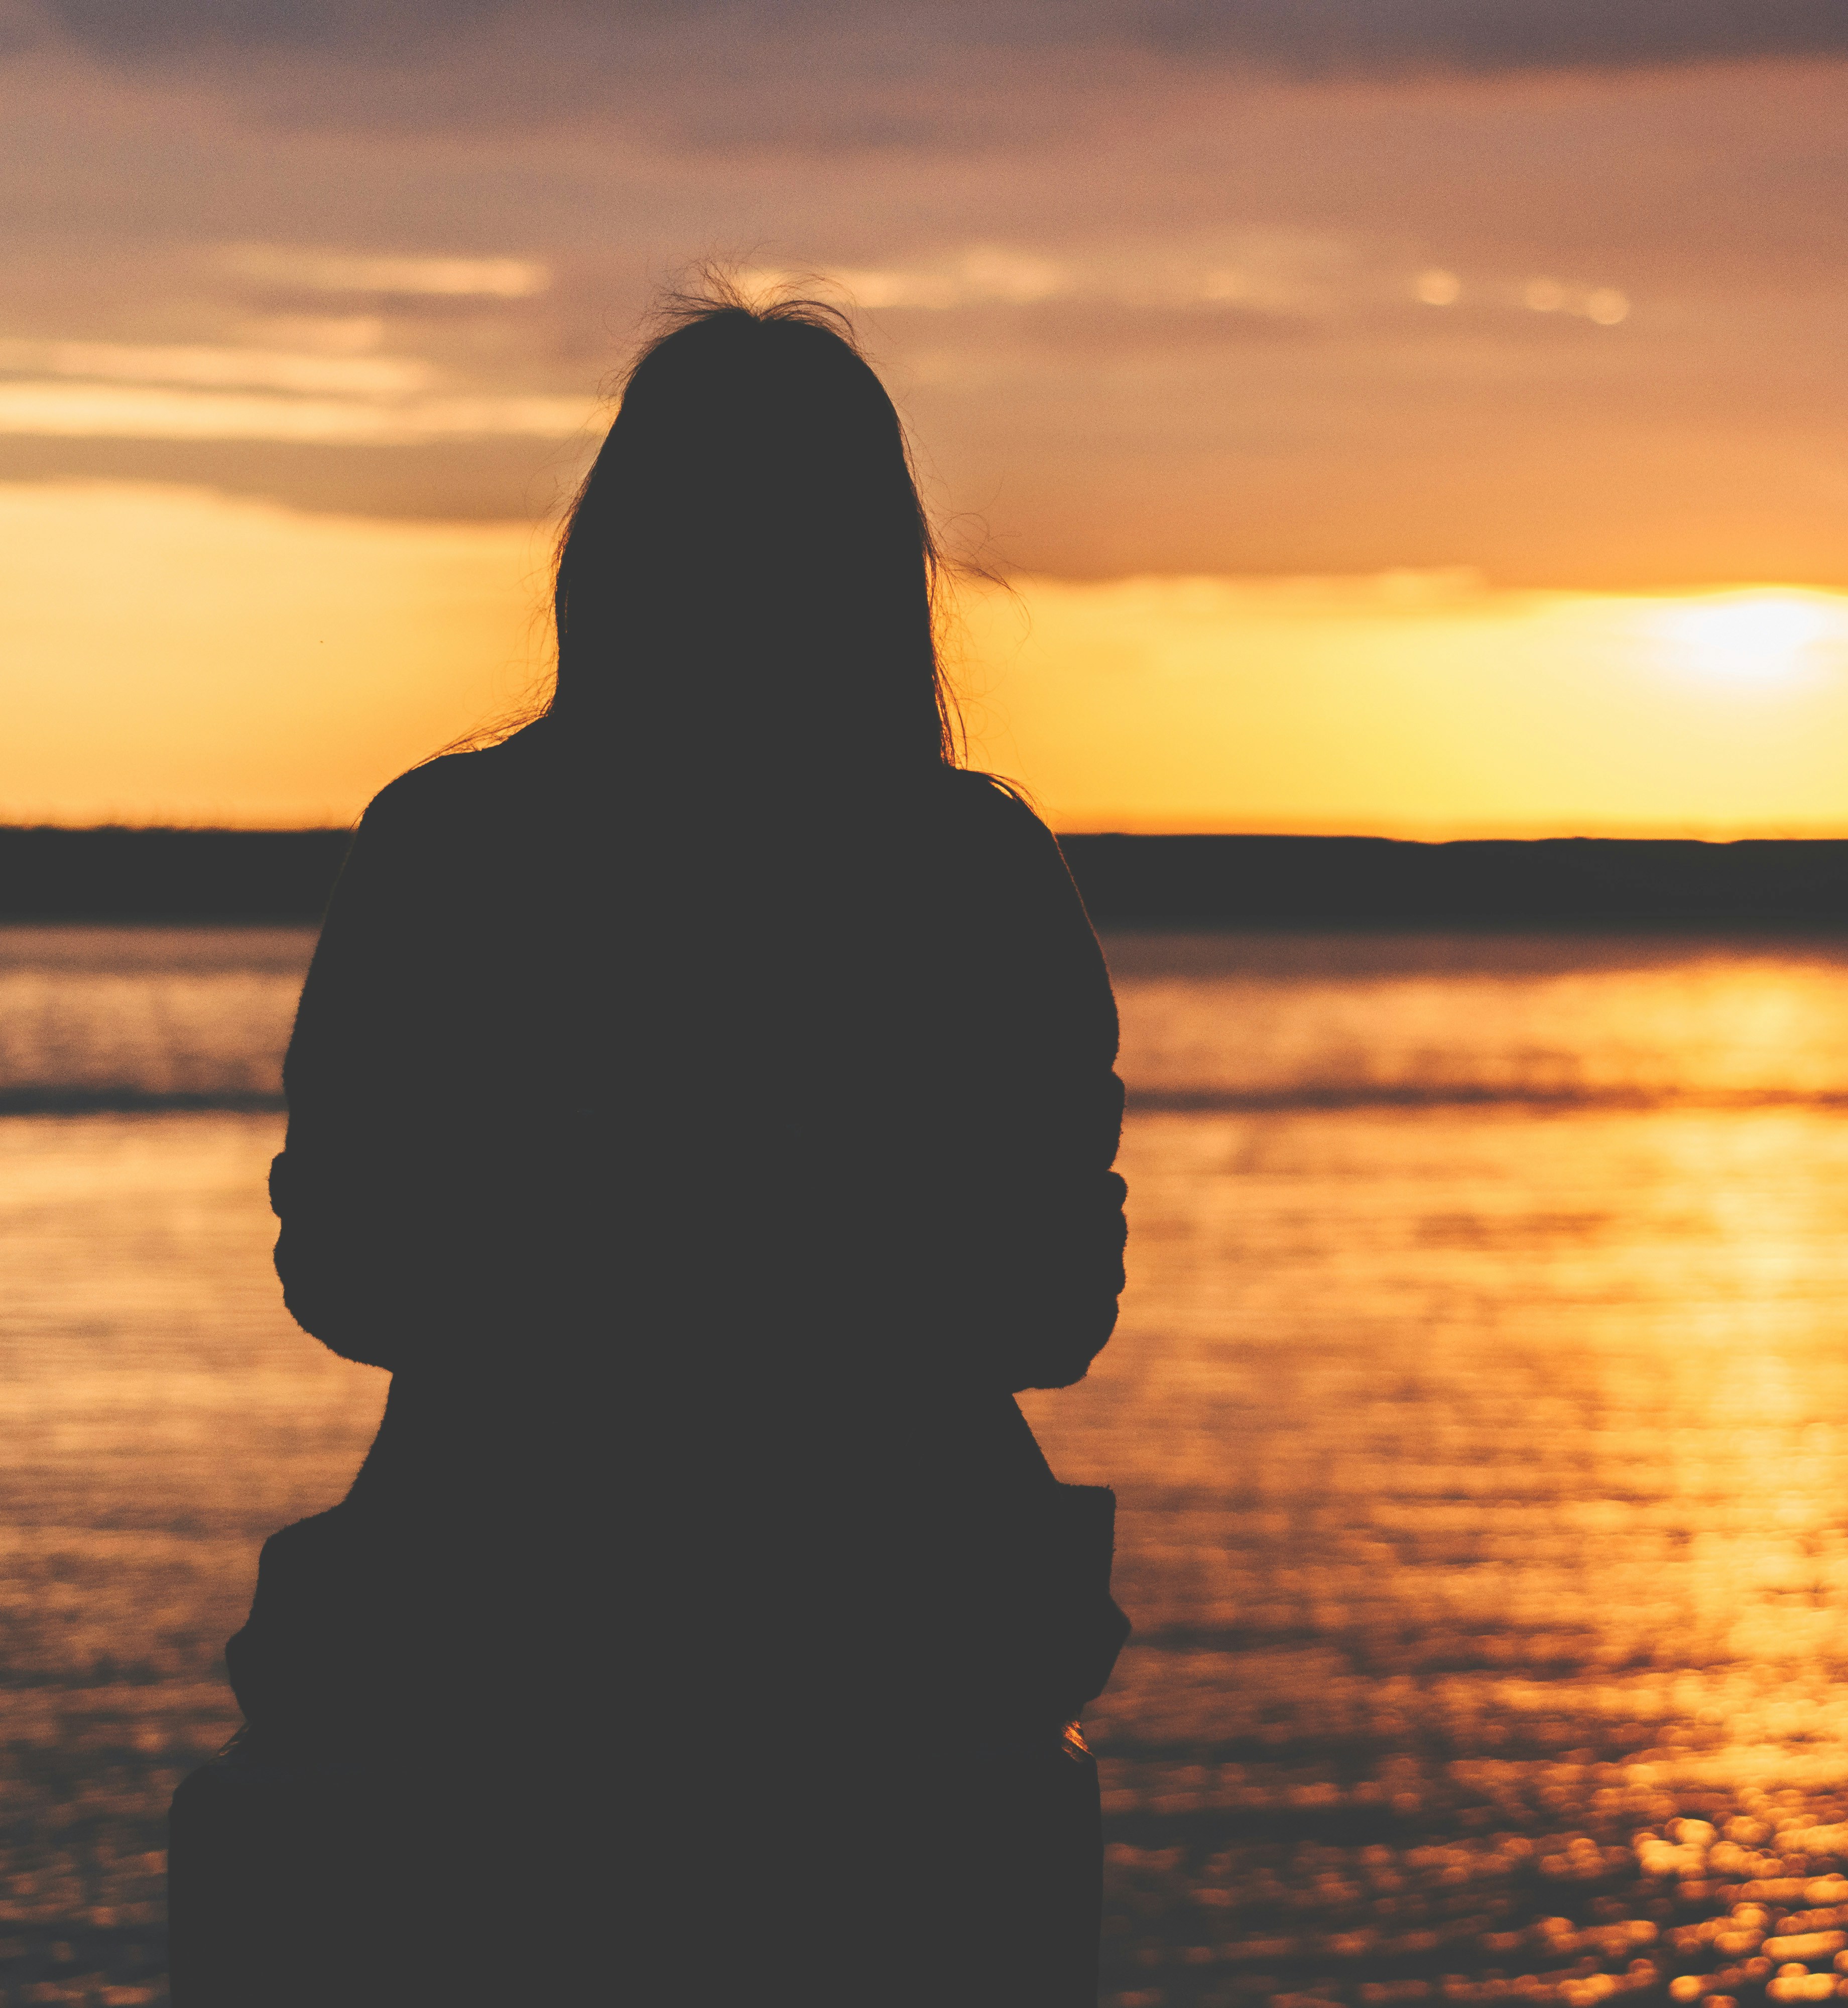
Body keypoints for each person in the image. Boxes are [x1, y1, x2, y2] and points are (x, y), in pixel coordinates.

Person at [168, 289, 1131, 2005]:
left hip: (492, 1613)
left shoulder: (447, 850)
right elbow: (1054, 1309)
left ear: (610, 549)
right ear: (878, 567)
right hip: (898, 1634)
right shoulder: (974, 876)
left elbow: (345, 1268)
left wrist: (594, 1258)